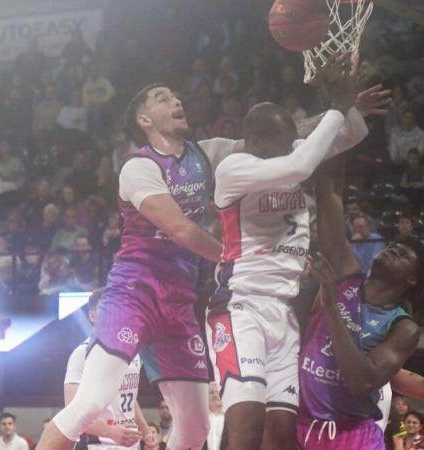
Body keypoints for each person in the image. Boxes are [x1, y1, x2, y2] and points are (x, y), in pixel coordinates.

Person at [207, 61, 384, 450]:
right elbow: (302, 162)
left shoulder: (285, 152)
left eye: (293, 139)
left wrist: (348, 104)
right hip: (241, 306)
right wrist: (337, 108)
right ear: (256, 140)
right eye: (283, 141)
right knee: (247, 427)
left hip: (284, 311)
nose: (292, 145)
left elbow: (349, 134)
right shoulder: (234, 168)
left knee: (283, 437)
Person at [36, 82, 224, 450]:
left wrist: (339, 112)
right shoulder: (138, 166)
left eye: (176, 94)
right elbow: (180, 228)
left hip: (179, 300)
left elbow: (273, 139)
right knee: (88, 403)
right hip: (135, 292)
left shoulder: (208, 153)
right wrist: (237, 256)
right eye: (163, 98)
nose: (176, 99)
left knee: (197, 427)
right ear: (145, 119)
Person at [295, 164, 424, 450]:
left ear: (411, 278)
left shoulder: (402, 327)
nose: (395, 247)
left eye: (406, 253)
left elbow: (362, 381)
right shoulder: (347, 274)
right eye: (396, 244)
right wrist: (341, 129)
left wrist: (331, 308)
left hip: (352, 436)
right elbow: (331, 196)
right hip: (304, 425)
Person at [64, 290, 147, 450]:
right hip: (96, 443)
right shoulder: (82, 353)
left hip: (129, 443)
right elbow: (71, 411)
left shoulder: (133, 351)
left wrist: (145, 429)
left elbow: (127, 397)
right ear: (92, 316)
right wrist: (110, 432)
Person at [206, 382, 225, 450]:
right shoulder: (200, 421)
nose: (215, 395)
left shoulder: (232, 419)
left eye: (218, 392)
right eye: (211, 392)